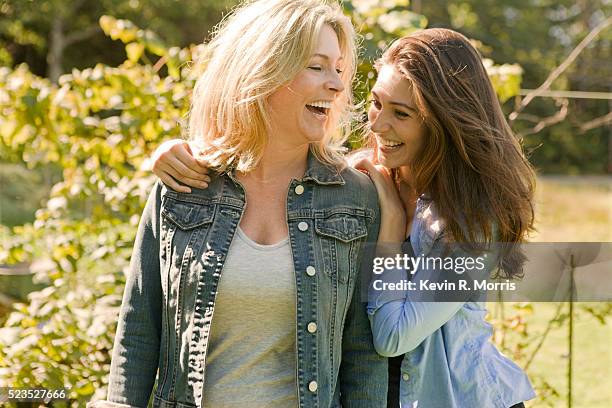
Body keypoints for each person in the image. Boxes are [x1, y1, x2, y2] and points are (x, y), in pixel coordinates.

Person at [153, 27, 538, 407]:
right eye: (376, 103)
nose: (376, 125)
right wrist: (178, 152)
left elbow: (394, 335)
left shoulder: (474, 221)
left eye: (400, 114)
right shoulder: (361, 182)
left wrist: (387, 231)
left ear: (442, 122)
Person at [88, 1, 387, 407]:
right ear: (263, 69)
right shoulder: (183, 185)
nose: (335, 85)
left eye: (339, 69)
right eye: (316, 67)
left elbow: (363, 355)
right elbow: (138, 332)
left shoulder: (356, 198)